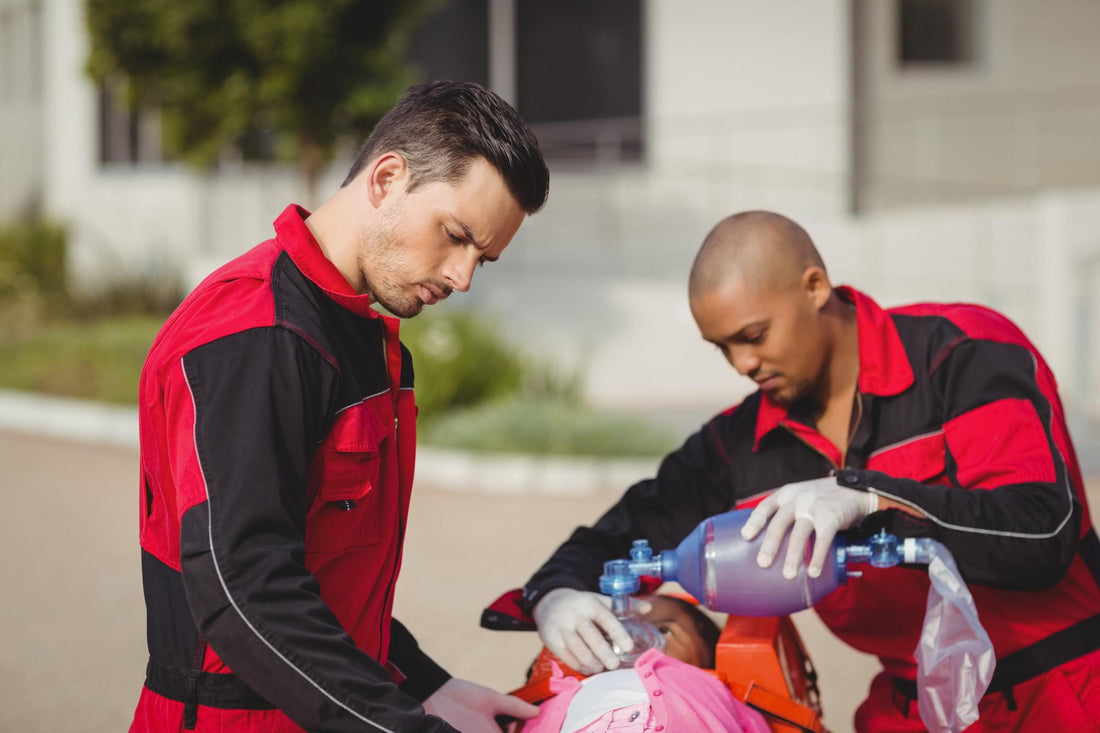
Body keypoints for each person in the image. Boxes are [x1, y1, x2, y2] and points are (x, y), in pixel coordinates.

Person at [522, 211, 1100, 732]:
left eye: (753, 336)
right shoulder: (739, 445)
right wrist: (555, 595)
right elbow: (619, 539)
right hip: (921, 711)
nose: (743, 364)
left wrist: (870, 497)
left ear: (815, 287)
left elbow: (1041, 534)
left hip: (1067, 693)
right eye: (722, 347)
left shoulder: (961, 355)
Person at [130, 80, 549, 732]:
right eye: (456, 235)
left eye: (483, 259)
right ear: (386, 178)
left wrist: (429, 685)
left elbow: (327, 576)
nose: (463, 276)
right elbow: (244, 592)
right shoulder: (256, 333)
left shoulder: (363, 338)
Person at [518, 595, 769, 733]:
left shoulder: (716, 690)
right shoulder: (559, 688)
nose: (632, 640)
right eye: (612, 629)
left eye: (664, 630)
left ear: (707, 657)